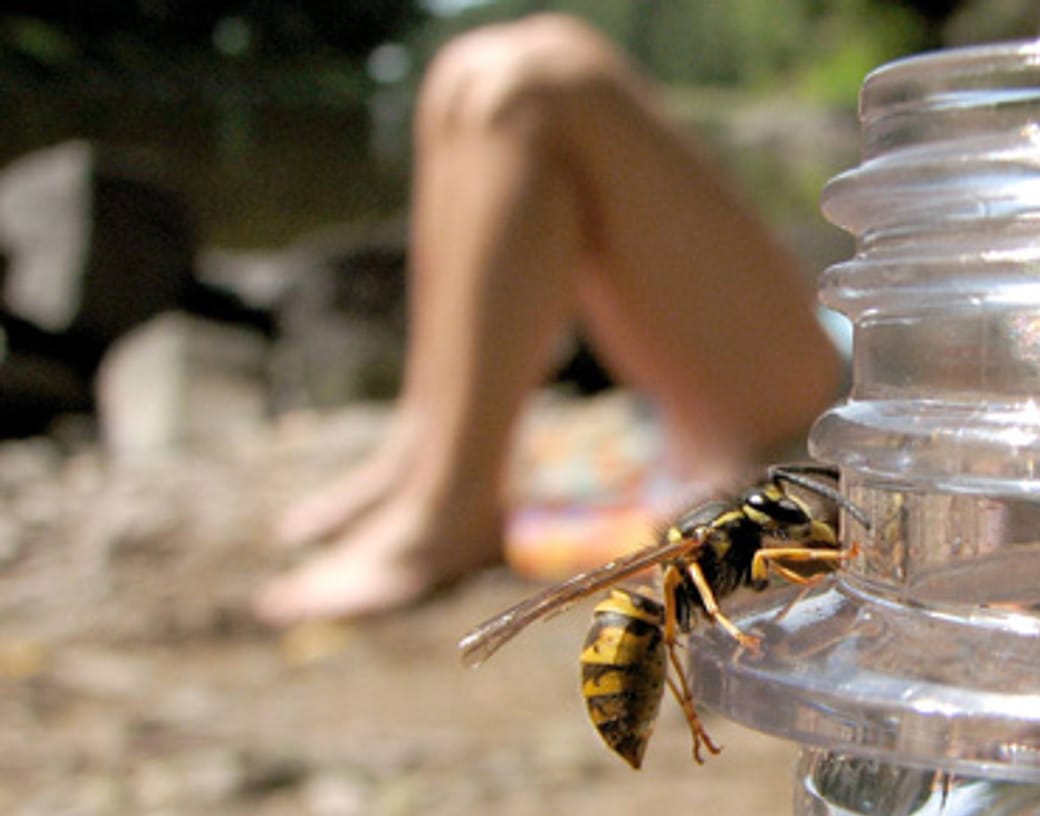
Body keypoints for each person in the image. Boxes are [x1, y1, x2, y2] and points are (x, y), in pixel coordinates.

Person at [253, 14, 844, 626]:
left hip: (832, 400)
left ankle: (453, 508)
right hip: (826, 347)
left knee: (539, 84)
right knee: (467, 71)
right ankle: (421, 450)